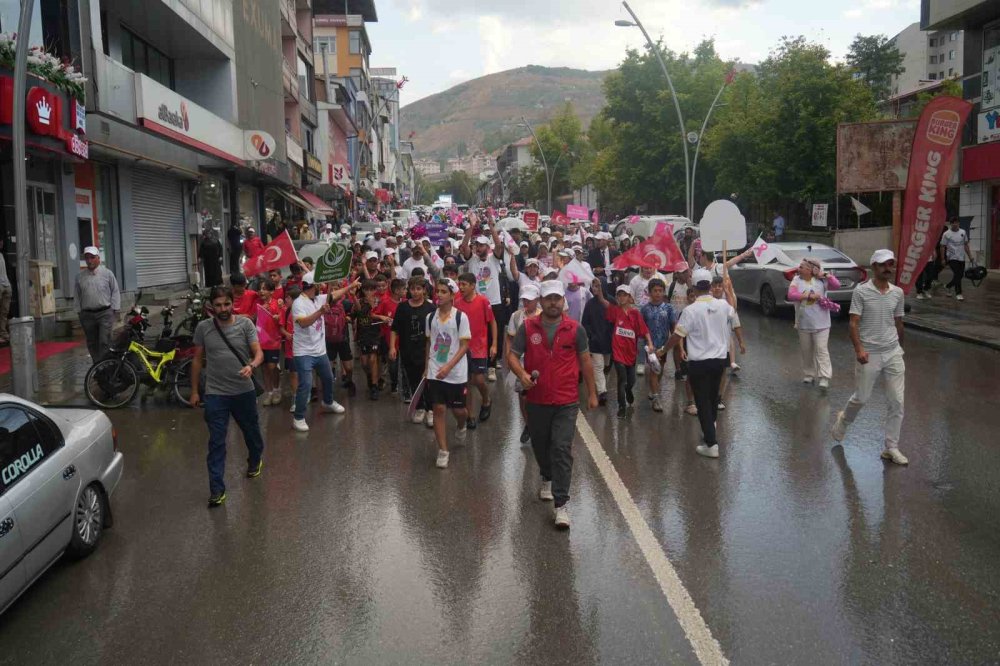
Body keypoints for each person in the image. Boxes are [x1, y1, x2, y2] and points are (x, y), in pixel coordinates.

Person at [508, 280, 598, 529]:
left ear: (563, 301)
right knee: (540, 445)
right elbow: (513, 356)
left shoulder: (575, 329)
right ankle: (546, 476)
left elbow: (586, 361)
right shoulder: (527, 327)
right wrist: (522, 375)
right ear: (541, 300)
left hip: (566, 400)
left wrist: (592, 393)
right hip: (536, 400)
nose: (553, 303)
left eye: (557, 298)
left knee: (561, 448)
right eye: (548, 298)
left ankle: (561, 504)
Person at [189, 286, 265, 507]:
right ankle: (216, 490)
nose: (223, 309)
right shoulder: (203, 328)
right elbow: (196, 361)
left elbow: (258, 352)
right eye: (218, 305)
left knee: (251, 433)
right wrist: (195, 391)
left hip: (244, 392)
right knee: (216, 442)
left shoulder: (245, 324)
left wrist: (252, 366)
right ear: (211, 306)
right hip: (215, 394)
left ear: (233, 304)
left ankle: (255, 459)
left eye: (226, 304)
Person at [831, 249, 908, 465]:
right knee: (862, 398)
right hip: (869, 352)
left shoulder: (897, 293)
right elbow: (853, 323)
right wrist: (859, 350)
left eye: (890, 264)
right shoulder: (861, 292)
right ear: (874, 267)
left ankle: (891, 447)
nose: (887, 268)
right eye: (883, 265)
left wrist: (900, 349)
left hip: (892, 352)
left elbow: (899, 322)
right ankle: (843, 420)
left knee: (897, 401)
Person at [658, 269, 737, 458]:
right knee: (712, 399)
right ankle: (710, 429)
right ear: (710, 286)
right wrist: (729, 291)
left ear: (693, 286)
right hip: (719, 361)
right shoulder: (723, 305)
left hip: (699, 363)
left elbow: (677, 336)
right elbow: (733, 313)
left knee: (702, 402)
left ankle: (711, 444)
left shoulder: (690, 310)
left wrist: (663, 350)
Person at [290, 272, 352, 432]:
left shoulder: (317, 298)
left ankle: (328, 402)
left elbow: (333, 295)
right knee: (306, 384)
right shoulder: (298, 303)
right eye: (319, 285)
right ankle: (298, 417)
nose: (321, 287)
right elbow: (303, 323)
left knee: (328, 378)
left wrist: (350, 286)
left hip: (320, 350)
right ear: (312, 286)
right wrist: (320, 312)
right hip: (303, 352)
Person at [461, 215, 515, 382]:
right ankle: (475, 362)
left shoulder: (494, 259)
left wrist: (492, 226)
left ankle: (492, 365)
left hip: (495, 303)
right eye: (476, 245)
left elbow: (499, 246)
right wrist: (471, 226)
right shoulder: (472, 261)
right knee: (476, 333)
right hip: (477, 303)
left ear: (487, 247)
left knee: (495, 334)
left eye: (481, 245)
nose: (478, 248)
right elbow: (464, 246)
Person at [425, 278, 472, 469]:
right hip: (435, 370)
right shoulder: (430, 318)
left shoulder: (461, 317)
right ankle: (443, 450)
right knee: (439, 409)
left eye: (444, 292)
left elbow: (464, 346)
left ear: (452, 295)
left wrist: (449, 367)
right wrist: (426, 368)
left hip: (456, 373)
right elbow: (428, 343)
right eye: (438, 291)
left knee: (458, 410)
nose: (439, 295)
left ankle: (462, 424)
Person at [595, 284, 653, 418]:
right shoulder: (615, 311)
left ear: (630, 297)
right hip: (618, 353)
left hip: (631, 354)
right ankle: (621, 407)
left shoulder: (635, 314)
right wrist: (599, 291)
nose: (621, 297)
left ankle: (629, 391)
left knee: (631, 381)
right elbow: (603, 302)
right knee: (622, 380)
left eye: (624, 295)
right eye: (619, 295)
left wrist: (650, 343)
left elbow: (644, 331)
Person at [391, 276, 437, 426]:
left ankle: (431, 409)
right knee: (413, 379)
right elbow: (395, 329)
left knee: (429, 380)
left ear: (424, 290)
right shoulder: (402, 307)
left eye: (419, 288)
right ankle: (419, 407)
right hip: (407, 350)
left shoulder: (431, 308)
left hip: (426, 351)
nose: (415, 292)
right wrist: (392, 347)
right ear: (408, 290)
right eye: (412, 289)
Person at [787, 257, 840, 388]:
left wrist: (826, 275)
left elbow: (837, 285)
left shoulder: (821, 281)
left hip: (822, 323)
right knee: (807, 350)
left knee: (821, 349)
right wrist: (809, 296)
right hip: (803, 322)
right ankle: (809, 374)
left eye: (802, 266)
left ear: (811, 270)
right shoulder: (796, 280)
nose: (798, 268)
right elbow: (791, 295)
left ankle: (824, 377)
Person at [455, 272, 496, 429]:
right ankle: (470, 415)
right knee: (467, 383)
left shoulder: (483, 301)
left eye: (464, 284)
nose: (461, 287)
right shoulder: (457, 303)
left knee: (478, 380)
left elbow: (492, 322)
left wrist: (494, 345)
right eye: (460, 284)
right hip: (463, 349)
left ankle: (486, 400)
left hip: (479, 347)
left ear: (473, 286)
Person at [506, 282, 541, 444]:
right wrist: (509, 355)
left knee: (538, 396)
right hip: (520, 363)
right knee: (523, 397)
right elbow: (510, 337)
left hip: (540, 363)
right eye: (524, 300)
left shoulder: (543, 315)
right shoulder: (516, 316)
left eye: (530, 300)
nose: (526, 303)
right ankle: (529, 425)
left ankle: (538, 425)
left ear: (537, 300)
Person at [75, 246, 121, 361]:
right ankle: (97, 367)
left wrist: (113, 310)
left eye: (92, 257)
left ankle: (106, 366)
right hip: (87, 315)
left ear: (98, 259)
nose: (89, 260)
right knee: (92, 342)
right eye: (87, 258)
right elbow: (77, 295)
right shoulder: (80, 277)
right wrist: (79, 312)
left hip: (104, 313)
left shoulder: (107, 274)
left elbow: (115, 291)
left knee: (104, 341)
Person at [640, 278, 677, 413]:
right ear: (649, 293)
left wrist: (677, 344)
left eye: (660, 291)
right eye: (655, 291)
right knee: (654, 370)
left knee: (659, 369)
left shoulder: (668, 308)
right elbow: (641, 328)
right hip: (650, 347)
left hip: (664, 346)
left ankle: (653, 388)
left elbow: (674, 327)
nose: (657, 293)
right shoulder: (644, 309)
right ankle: (656, 398)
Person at [354, 280, 391, 400]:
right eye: (366, 289)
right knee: (364, 363)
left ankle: (374, 386)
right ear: (363, 290)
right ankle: (371, 377)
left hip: (375, 334)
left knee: (373, 358)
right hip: (363, 334)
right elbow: (357, 312)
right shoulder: (359, 301)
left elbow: (381, 313)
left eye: (372, 289)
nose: (369, 292)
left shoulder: (379, 301)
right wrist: (354, 296)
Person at [582, 278, 613, 405]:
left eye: (598, 286)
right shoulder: (590, 304)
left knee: (606, 366)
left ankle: (601, 384)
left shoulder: (611, 301)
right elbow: (585, 322)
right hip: (595, 342)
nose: (595, 289)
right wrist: (591, 335)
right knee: (598, 367)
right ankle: (602, 392)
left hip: (609, 342)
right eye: (593, 286)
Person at [256, 279, 284, 405]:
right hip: (260, 342)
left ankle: (277, 390)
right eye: (260, 289)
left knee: (272, 367)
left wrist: (278, 317)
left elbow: (282, 321)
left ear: (272, 292)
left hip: (274, 341)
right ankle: (269, 393)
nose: (261, 291)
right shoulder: (258, 305)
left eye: (264, 289)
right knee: (264, 369)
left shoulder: (277, 304)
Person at [939, 217, 974, 301]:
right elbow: (942, 246)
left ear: (959, 223)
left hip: (961, 257)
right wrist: (943, 258)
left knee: (960, 275)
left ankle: (948, 286)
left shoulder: (963, 232)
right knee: (957, 274)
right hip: (952, 257)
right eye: (953, 223)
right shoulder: (946, 234)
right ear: (951, 224)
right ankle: (959, 293)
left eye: (957, 223)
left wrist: (970, 256)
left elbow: (965, 245)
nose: (955, 224)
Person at [0, 238, 11, 343]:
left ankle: (3, 333)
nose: (2, 243)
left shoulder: (2, 255)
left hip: (6, 285)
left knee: (4, 311)